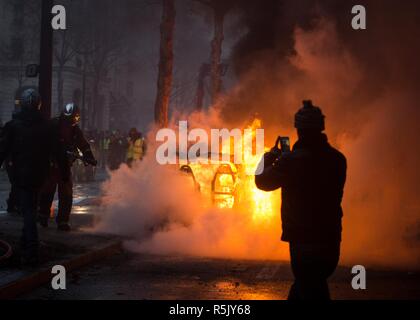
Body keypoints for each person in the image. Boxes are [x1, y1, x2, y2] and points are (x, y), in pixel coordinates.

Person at [255, 100, 347, 300]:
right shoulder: (338, 159)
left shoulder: (291, 161)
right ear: (321, 128)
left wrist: (269, 157)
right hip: (331, 240)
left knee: (306, 287)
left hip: (304, 241)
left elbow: (262, 182)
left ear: (299, 130)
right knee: (315, 286)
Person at [0, 89, 56, 266]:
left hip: (22, 176)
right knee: (30, 208)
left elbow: (2, 150)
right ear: (39, 104)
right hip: (40, 175)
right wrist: (63, 170)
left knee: (29, 212)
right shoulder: (46, 126)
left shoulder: (13, 126)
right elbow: (57, 151)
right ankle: (26, 244)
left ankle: (32, 250)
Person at [38, 103, 97, 232]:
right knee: (48, 190)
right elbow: (42, 142)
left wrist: (89, 156)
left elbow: (83, 144)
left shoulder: (75, 129)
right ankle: (42, 215)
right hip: (52, 164)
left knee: (66, 194)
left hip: (64, 165)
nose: (73, 121)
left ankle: (63, 221)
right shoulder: (53, 126)